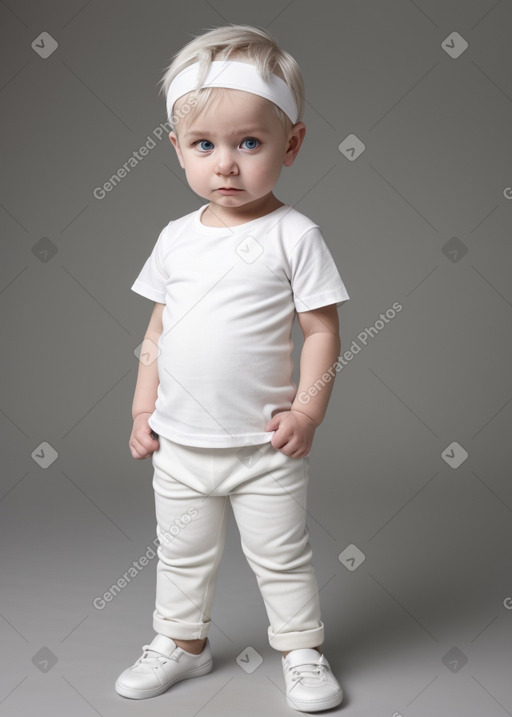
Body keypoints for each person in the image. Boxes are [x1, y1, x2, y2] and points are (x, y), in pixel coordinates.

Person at [115, 24, 350, 713]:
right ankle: (182, 643)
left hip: (262, 446)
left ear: (292, 144)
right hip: (181, 443)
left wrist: (307, 410)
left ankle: (301, 650)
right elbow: (158, 328)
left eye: (249, 142)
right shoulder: (174, 239)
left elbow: (321, 329)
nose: (226, 164)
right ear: (177, 150)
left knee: (281, 555)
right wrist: (140, 408)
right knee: (181, 554)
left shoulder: (294, 235)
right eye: (204, 145)